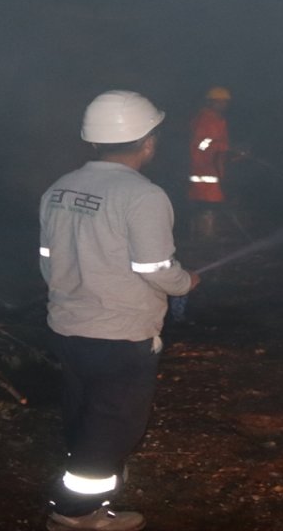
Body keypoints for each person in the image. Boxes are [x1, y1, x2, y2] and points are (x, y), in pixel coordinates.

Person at [38, 90, 200, 531]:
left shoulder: (59, 189)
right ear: (147, 142)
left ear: (94, 141)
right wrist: (186, 281)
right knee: (113, 426)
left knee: (83, 413)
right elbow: (154, 267)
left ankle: (93, 497)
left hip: (67, 326)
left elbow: (47, 261)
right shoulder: (142, 196)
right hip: (120, 334)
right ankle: (75, 513)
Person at [187, 85, 236, 240]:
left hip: (213, 167)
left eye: (225, 102)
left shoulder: (217, 120)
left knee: (209, 203)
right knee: (207, 203)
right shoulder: (206, 119)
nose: (223, 105)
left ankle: (205, 233)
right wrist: (222, 147)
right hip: (203, 168)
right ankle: (204, 235)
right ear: (211, 102)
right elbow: (201, 144)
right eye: (219, 102)